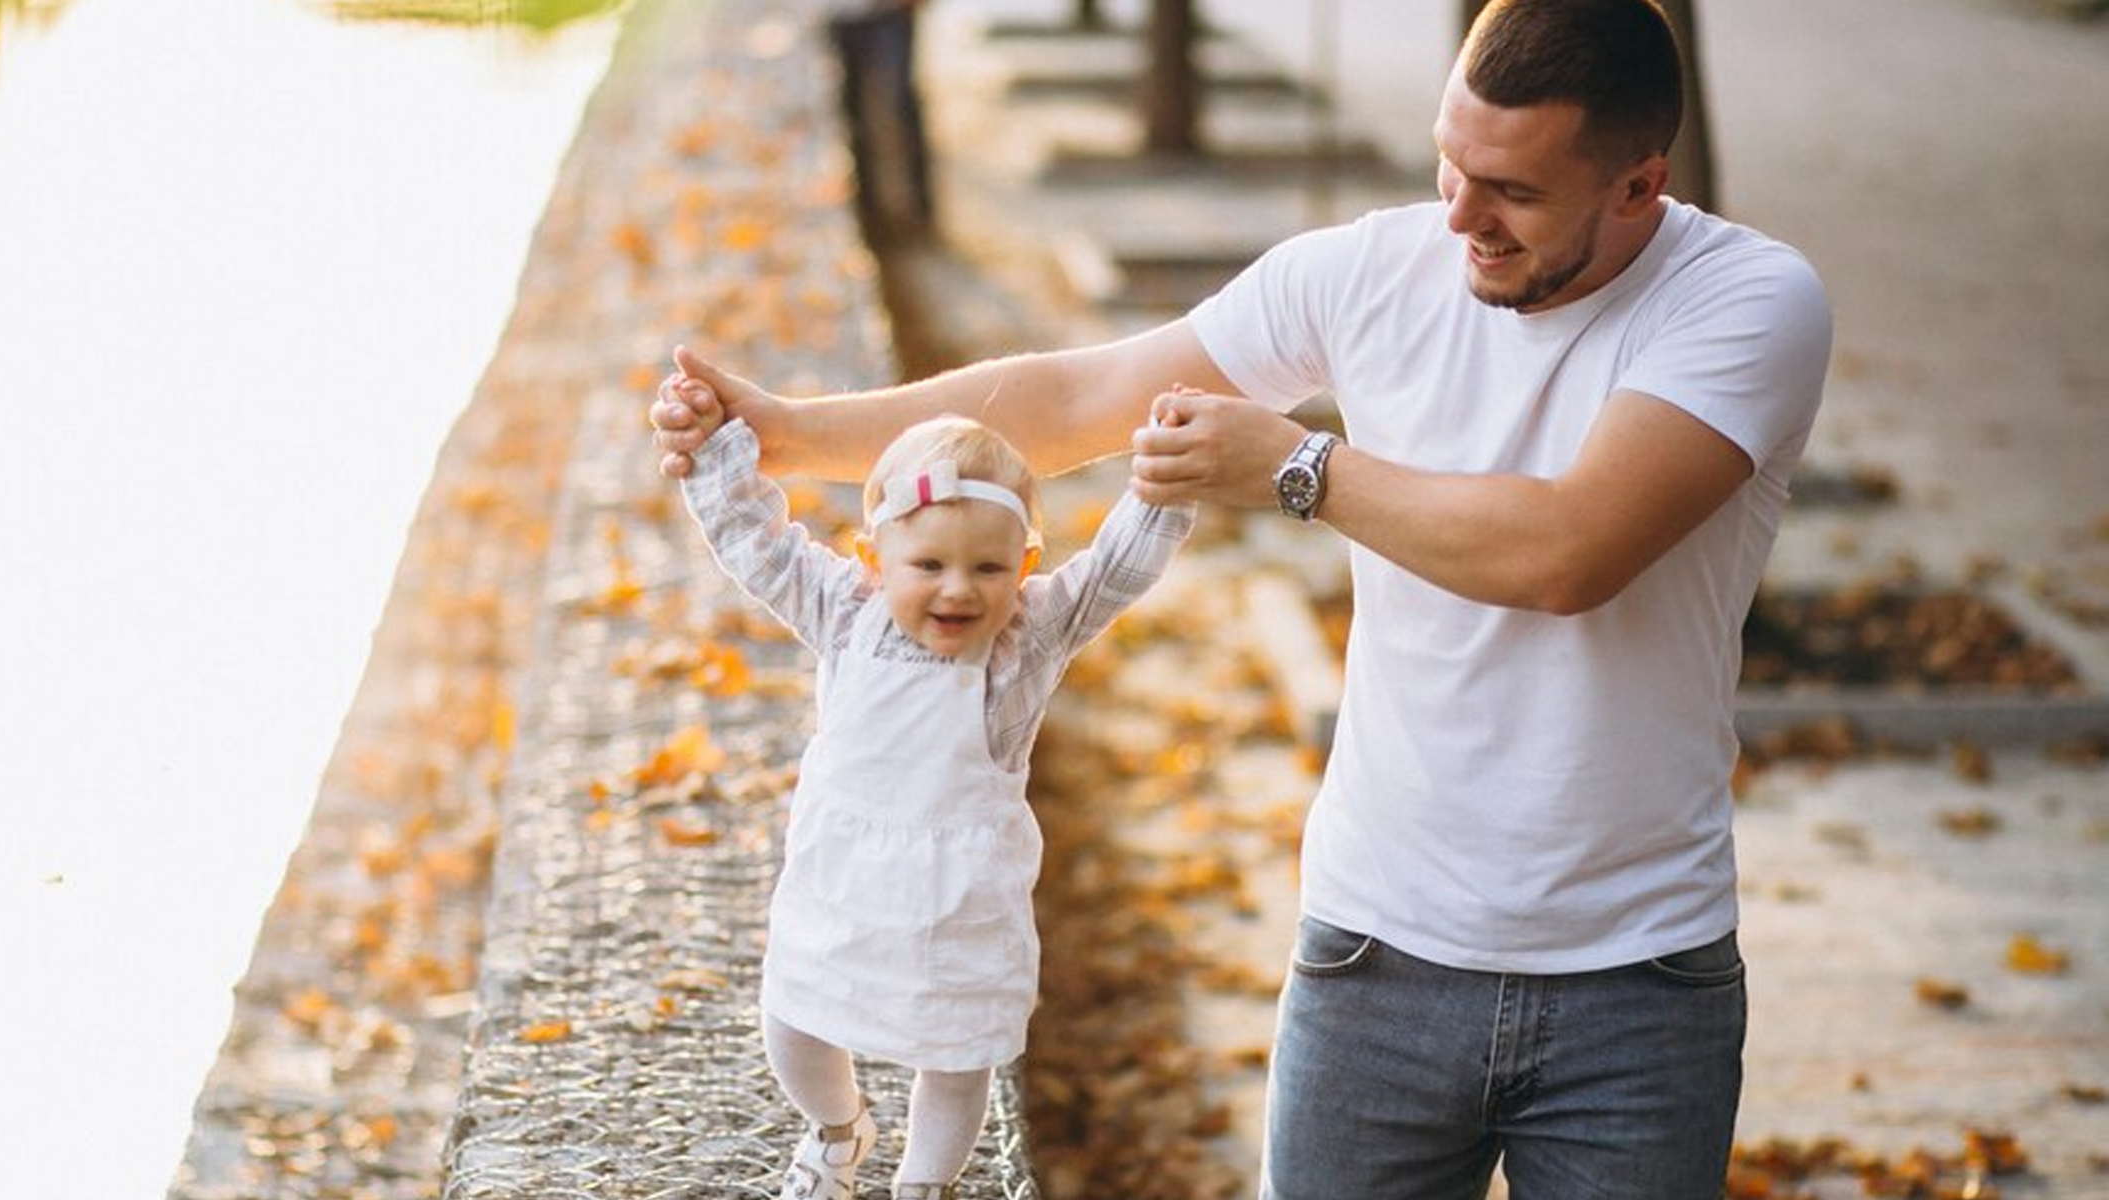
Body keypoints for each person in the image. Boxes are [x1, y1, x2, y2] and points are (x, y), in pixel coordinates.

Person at [654, 0, 1833, 1194]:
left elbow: (1568, 554)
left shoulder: (1747, 302)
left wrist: (1296, 467)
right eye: (1450, 164)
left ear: (1640, 185)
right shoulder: (1371, 269)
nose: (1461, 218)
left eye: (1513, 194)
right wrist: (786, 433)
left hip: (1638, 987)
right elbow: (1073, 403)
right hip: (1374, 955)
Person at [668, 386, 1194, 1200]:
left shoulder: (1026, 637)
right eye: (928, 566)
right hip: (841, 886)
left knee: (956, 1057)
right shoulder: (848, 614)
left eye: (988, 567)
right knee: (792, 1024)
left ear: (1023, 568)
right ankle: (838, 1129)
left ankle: (924, 1183)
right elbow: (758, 545)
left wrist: (1163, 479)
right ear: (875, 563)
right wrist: (712, 453)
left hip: (961, 903)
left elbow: (1113, 573)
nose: (958, 590)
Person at [822, 0, 935, 242]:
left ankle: (916, 211)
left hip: (886, 13)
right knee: (853, 118)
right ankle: (871, 215)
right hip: (837, 14)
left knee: (895, 109)